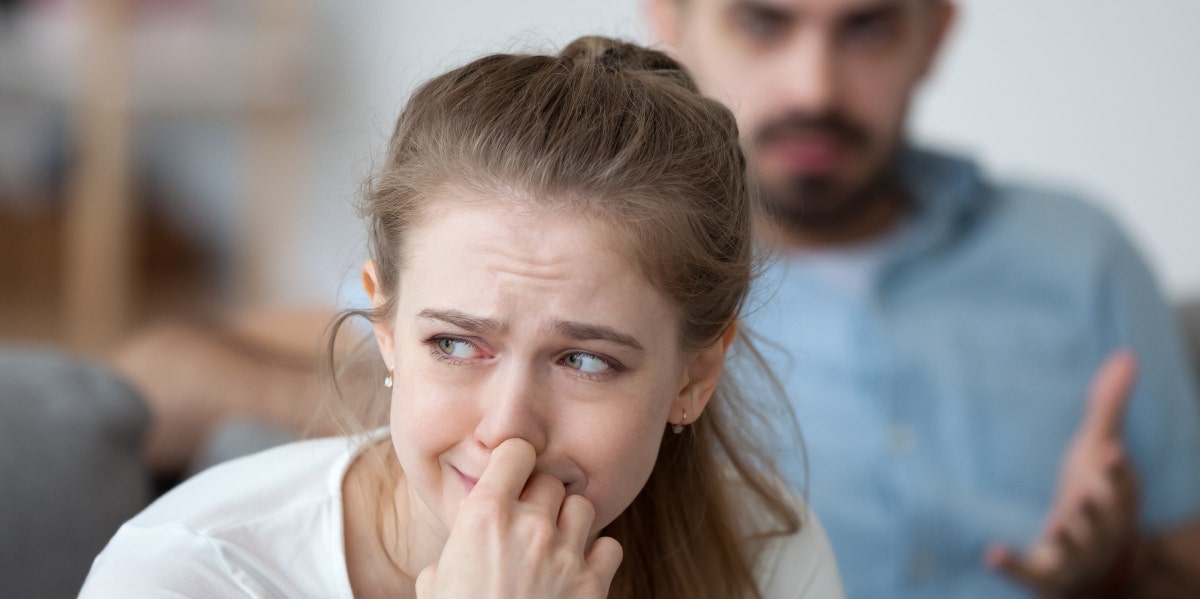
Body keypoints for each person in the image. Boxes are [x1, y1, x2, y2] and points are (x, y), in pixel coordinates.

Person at [79, 36, 844, 598]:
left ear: (695, 374)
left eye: (585, 360)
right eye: (454, 343)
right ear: (384, 326)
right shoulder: (184, 574)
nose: (509, 427)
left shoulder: (765, 554)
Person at [645, 0, 1200, 597]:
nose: (815, 91)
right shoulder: (616, 290)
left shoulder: (1083, 253)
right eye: (761, 24)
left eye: (867, 27)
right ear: (672, 26)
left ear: (933, 38)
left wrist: (1116, 569)